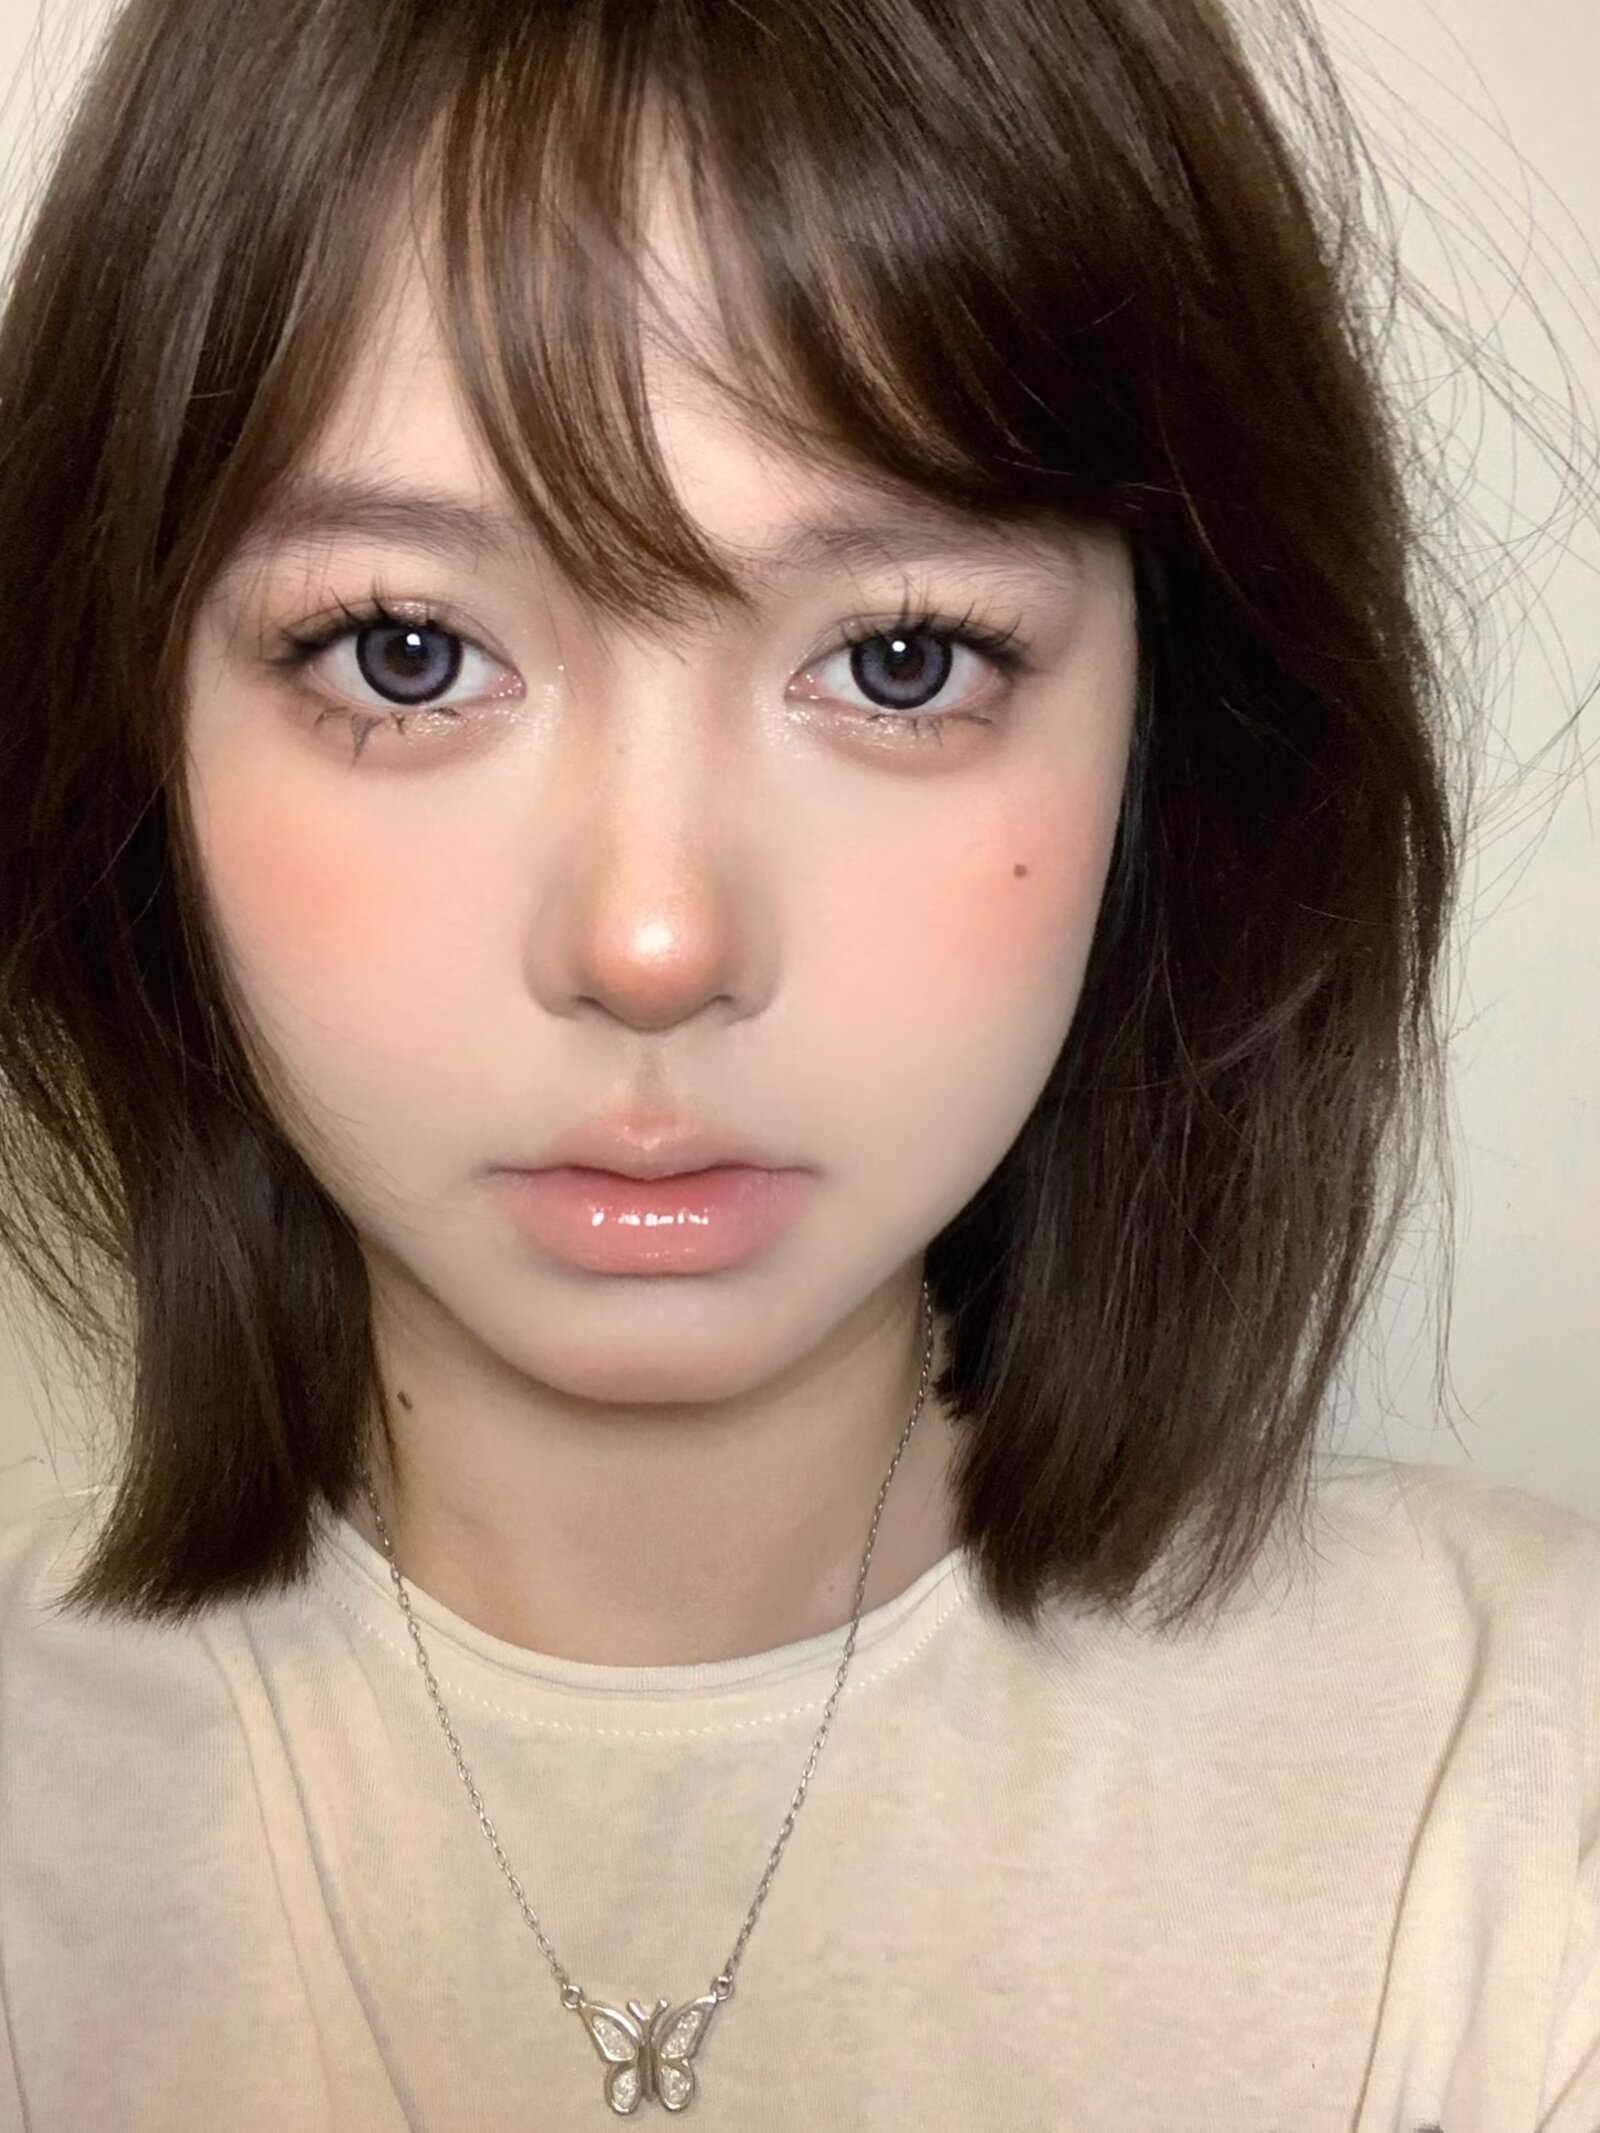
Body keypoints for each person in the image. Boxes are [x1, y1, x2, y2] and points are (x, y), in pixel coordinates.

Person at [0, 0, 1593, 2124]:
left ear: (1169, 745)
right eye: (407, 649)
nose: (653, 937)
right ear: (133, 743)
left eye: (900, 657)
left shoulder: (1518, 1792)